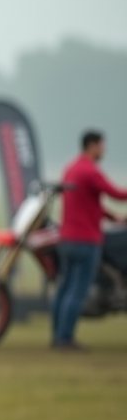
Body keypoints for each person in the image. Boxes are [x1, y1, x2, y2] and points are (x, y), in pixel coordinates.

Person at [52, 130, 127, 351]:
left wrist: (114, 218)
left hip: (66, 239)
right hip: (86, 240)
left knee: (64, 289)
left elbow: (89, 205)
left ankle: (57, 335)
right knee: (78, 290)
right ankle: (65, 339)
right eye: (102, 146)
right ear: (92, 146)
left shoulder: (71, 169)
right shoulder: (90, 171)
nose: (103, 150)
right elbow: (116, 194)